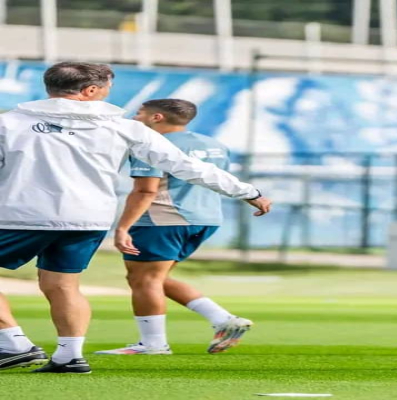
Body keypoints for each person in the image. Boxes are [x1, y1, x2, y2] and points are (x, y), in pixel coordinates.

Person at [0, 62, 272, 374]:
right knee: (63, 284)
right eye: (106, 89)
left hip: (22, 216)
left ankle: (14, 342)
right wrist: (248, 191)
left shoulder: (11, 123)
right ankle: (69, 356)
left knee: (62, 285)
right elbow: (186, 166)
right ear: (90, 91)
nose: (107, 94)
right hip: (89, 220)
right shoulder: (124, 127)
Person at [95, 99, 253, 356]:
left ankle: (153, 344)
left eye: (140, 113)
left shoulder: (150, 144)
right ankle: (223, 319)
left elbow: (146, 190)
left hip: (162, 218)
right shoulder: (216, 145)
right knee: (155, 279)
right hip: (206, 218)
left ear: (156, 117)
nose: (135, 118)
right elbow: (220, 180)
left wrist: (122, 227)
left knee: (144, 279)